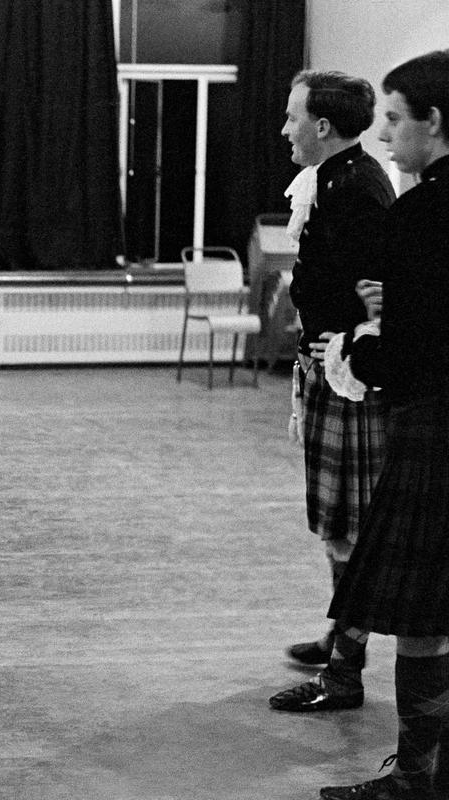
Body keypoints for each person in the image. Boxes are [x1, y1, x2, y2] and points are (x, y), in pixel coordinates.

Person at [314, 50, 449, 800]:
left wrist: (363, 346)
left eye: (397, 120)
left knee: (424, 616)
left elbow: (403, 345)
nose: (387, 135)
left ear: (434, 123)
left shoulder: (425, 210)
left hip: (434, 420)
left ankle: (417, 779)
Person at [269, 70, 395, 714]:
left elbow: (381, 295)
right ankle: (341, 637)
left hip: (351, 381)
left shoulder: (358, 190)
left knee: (351, 528)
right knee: (336, 527)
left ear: (322, 126)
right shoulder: (334, 179)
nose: (285, 128)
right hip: (328, 368)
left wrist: (344, 344)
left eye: (293, 118)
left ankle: (345, 672)